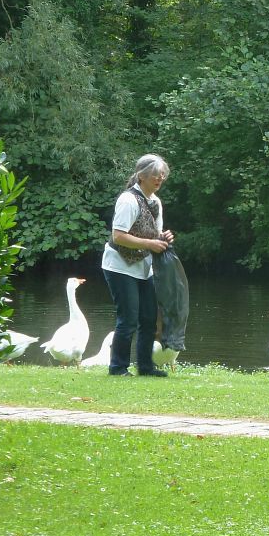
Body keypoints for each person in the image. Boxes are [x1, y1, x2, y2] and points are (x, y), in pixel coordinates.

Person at [101, 153, 174, 376]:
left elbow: (154, 233)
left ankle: (145, 366)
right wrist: (150, 243)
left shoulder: (156, 202)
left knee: (149, 318)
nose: (159, 179)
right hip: (119, 266)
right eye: (155, 175)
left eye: (162, 175)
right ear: (141, 176)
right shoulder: (128, 200)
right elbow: (119, 236)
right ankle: (118, 368)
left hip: (144, 266)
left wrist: (164, 238)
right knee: (128, 319)